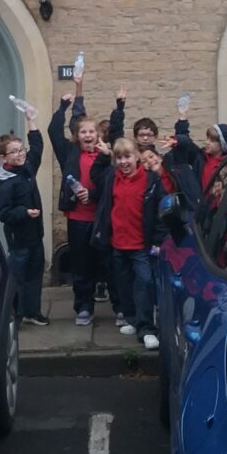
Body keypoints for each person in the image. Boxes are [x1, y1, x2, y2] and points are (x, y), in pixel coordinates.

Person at [49, 87, 125, 325]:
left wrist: (119, 107)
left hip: (102, 218)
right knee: (81, 265)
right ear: (77, 135)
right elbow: (53, 131)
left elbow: (118, 132)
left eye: (92, 131)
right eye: (83, 131)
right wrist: (63, 107)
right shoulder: (70, 153)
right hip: (78, 220)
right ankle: (84, 307)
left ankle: (120, 307)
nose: (88, 135)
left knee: (109, 264)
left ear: (98, 135)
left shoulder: (108, 155)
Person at [90, 137, 165, 350]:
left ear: (137, 157)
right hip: (118, 243)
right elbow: (95, 177)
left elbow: (161, 212)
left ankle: (147, 329)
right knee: (123, 285)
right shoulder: (112, 178)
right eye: (119, 157)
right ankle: (132, 319)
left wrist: (159, 240)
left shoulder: (150, 180)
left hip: (141, 244)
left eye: (128, 157)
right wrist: (104, 156)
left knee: (144, 284)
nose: (123, 162)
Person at [0, 112, 49, 326]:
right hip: (19, 239)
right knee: (17, 277)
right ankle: (13, 315)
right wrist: (24, 213)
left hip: (35, 234)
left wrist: (32, 121)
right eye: (13, 152)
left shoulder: (26, 169)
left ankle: (32, 312)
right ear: (3, 158)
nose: (20, 154)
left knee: (35, 273)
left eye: (20, 150)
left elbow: (37, 148)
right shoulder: (6, 184)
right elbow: (3, 213)